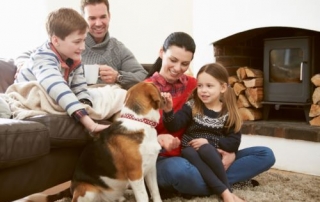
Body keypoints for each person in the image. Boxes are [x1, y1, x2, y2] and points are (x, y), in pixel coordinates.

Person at [145, 32, 276, 198]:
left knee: (265, 154)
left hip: (208, 155)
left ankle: (207, 184)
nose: (178, 68)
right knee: (180, 171)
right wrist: (157, 139)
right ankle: (222, 185)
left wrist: (231, 152)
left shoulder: (197, 85)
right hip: (169, 159)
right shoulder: (143, 90)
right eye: (173, 60)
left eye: (185, 63)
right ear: (161, 53)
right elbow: (130, 135)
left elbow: (231, 133)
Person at [15, 0, 147, 90]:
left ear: (109, 16)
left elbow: (145, 76)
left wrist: (118, 77)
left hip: (106, 99)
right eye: (92, 18)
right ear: (83, 18)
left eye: (103, 17)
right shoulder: (69, 43)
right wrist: (23, 64)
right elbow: (29, 55)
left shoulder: (117, 48)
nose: (99, 23)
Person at [15, 8, 109, 134]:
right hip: (31, 99)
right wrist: (90, 124)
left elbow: (80, 88)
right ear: (55, 41)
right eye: (77, 42)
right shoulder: (43, 58)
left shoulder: (73, 58)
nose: (83, 47)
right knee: (62, 93)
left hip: (60, 96)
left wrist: (86, 105)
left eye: (84, 40)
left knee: (110, 93)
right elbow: (57, 87)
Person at [161, 63, 245, 202]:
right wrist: (168, 111)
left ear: (223, 88)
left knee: (264, 154)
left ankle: (210, 183)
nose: (203, 90)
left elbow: (234, 142)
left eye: (209, 86)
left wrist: (210, 143)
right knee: (190, 152)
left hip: (215, 154)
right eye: (200, 86)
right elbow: (174, 126)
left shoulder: (228, 112)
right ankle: (227, 192)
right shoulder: (192, 106)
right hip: (190, 150)